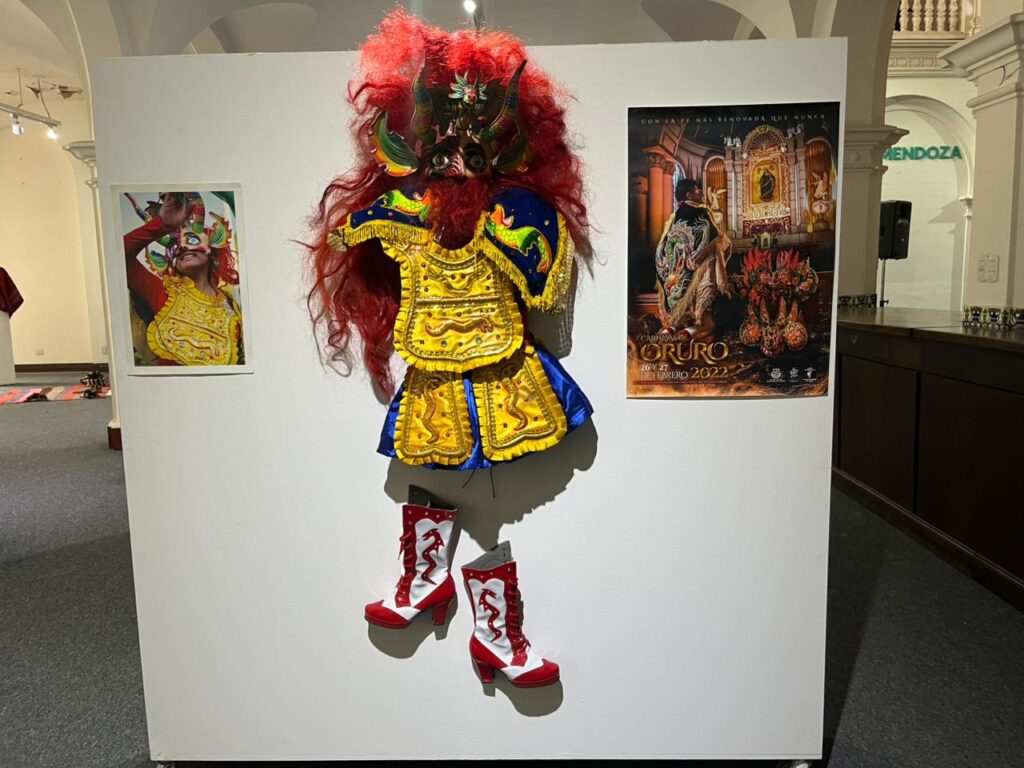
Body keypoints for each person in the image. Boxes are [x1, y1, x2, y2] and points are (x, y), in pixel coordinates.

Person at [306, 9, 593, 689]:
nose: (458, 163)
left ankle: (475, 618)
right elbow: (351, 232)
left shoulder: (516, 216)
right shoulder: (401, 216)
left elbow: (540, 275)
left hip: (508, 371)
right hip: (436, 376)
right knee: (452, 492)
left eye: (474, 147)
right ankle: (441, 592)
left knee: (483, 503)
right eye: (443, 147)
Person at [123, 192, 243, 366]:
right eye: (175, 246)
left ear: (210, 249)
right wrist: (161, 224)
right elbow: (117, 254)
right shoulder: (162, 291)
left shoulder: (231, 306)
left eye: (192, 239)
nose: (182, 248)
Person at [654, 178, 733, 338]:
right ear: (689, 194)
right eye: (698, 190)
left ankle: (671, 327)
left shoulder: (673, 219)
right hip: (697, 272)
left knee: (678, 302)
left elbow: (662, 248)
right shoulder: (702, 212)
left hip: (674, 278)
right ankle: (694, 329)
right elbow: (715, 239)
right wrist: (725, 245)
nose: (701, 193)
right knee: (714, 252)